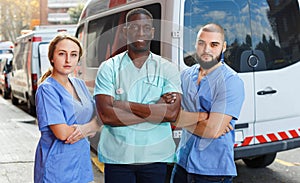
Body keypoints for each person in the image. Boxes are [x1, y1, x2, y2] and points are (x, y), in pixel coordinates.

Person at [94, 8, 182, 183]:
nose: (140, 33)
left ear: (152, 32)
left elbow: (171, 114)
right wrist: (155, 111)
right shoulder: (109, 68)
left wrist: (123, 105)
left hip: (155, 158)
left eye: (146, 28)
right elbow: (106, 115)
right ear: (125, 31)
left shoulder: (167, 68)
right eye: (134, 28)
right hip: (118, 157)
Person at [170, 23, 245, 183]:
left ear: (223, 47)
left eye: (214, 44)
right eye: (202, 43)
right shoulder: (185, 75)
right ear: (195, 44)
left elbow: (212, 131)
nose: (207, 49)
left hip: (212, 172)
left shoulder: (231, 81)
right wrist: (202, 117)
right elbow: (169, 114)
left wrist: (182, 120)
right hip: (182, 163)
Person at [34, 33, 100, 183]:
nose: (68, 60)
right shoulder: (47, 90)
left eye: (74, 54)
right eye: (62, 54)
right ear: (52, 57)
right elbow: (62, 133)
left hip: (81, 165)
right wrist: (92, 127)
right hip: (57, 168)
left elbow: (99, 115)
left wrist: (91, 126)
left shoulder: (80, 85)